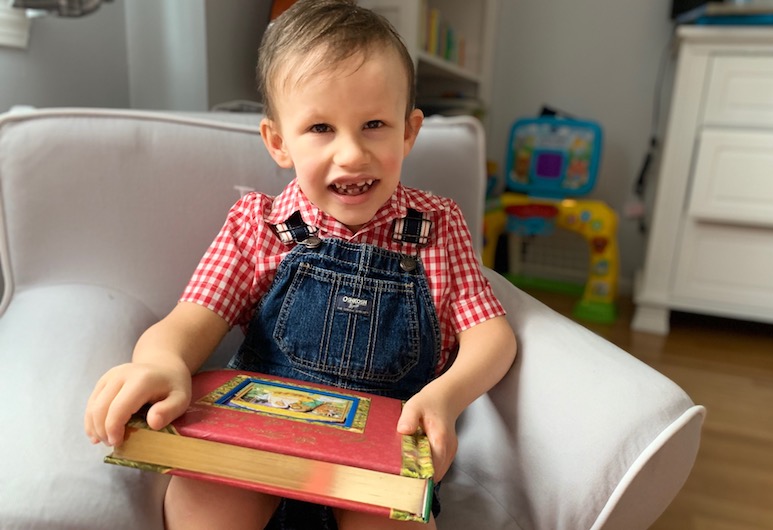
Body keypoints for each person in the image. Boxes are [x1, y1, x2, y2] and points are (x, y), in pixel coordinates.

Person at [84, 1, 516, 528]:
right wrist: (162, 364)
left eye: (374, 124)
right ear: (278, 142)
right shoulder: (257, 226)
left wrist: (445, 397)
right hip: (252, 447)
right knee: (204, 501)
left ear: (408, 131)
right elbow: (188, 321)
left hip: (379, 458)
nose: (352, 154)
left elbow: (491, 337)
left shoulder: (437, 227)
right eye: (320, 128)